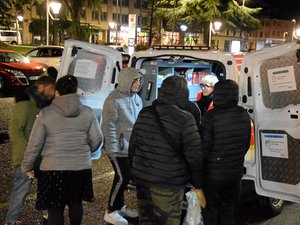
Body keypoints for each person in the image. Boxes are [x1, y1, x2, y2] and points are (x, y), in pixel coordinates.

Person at [21, 75, 102, 225]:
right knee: (76, 203)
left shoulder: (46, 113)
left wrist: (27, 166)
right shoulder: (88, 112)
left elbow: (34, 144)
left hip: (53, 169)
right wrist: (84, 151)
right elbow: (97, 139)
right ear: (76, 91)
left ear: (57, 92)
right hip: (80, 168)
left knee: (55, 208)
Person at [128, 76, 205, 225]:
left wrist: (133, 172)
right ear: (182, 94)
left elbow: (133, 146)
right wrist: (198, 183)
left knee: (146, 220)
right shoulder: (185, 118)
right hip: (168, 182)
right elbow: (195, 156)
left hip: (142, 179)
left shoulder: (145, 112)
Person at [5, 76, 56, 225]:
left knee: (46, 186)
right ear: (40, 88)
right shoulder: (25, 105)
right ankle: (11, 220)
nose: (53, 93)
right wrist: (26, 157)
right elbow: (15, 130)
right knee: (21, 189)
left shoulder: (41, 105)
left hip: (40, 156)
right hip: (27, 157)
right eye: (50, 89)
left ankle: (47, 214)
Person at [200, 79, 251, 225]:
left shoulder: (210, 116)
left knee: (211, 212)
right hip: (234, 174)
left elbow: (203, 149)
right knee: (228, 211)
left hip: (213, 176)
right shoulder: (243, 114)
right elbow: (246, 144)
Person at [102, 67, 144, 225]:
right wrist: (112, 149)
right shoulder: (113, 99)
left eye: (139, 80)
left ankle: (120, 206)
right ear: (127, 81)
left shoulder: (137, 99)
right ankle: (111, 211)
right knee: (122, 177)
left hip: (131, 149)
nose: (138, 84)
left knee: (124, 179)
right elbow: (108, 126)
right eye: (135, 80)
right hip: (117, 149)